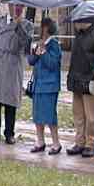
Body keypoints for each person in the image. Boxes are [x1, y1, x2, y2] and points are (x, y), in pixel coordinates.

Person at [0, 2, 34, 144]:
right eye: (15, 5)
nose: (17, 8)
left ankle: (9, 133)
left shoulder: (27, 25)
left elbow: (26, 45)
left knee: (10, 101)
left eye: (21, 6)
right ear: (9, 6)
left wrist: (18, 25)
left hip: (12, 64)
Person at [66, 22, 94, 157]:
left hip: (90, 80)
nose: (75, 23)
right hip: (76, 79)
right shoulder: (78, 34)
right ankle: (79, 142)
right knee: (78, 115)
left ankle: (91, 144)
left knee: (91, 117)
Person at [27, 17, 62, 154]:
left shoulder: (54, 45)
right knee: (37, 115)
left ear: (47, 29)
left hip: (49, 86)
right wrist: (36, 52)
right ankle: (40, 141)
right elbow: (31, 61)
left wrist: (44, 52)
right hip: (38, 85)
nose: (40, 29)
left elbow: (52, 64)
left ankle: (56, 143)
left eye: (42, 26)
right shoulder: (39, 43)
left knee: (49, 115)